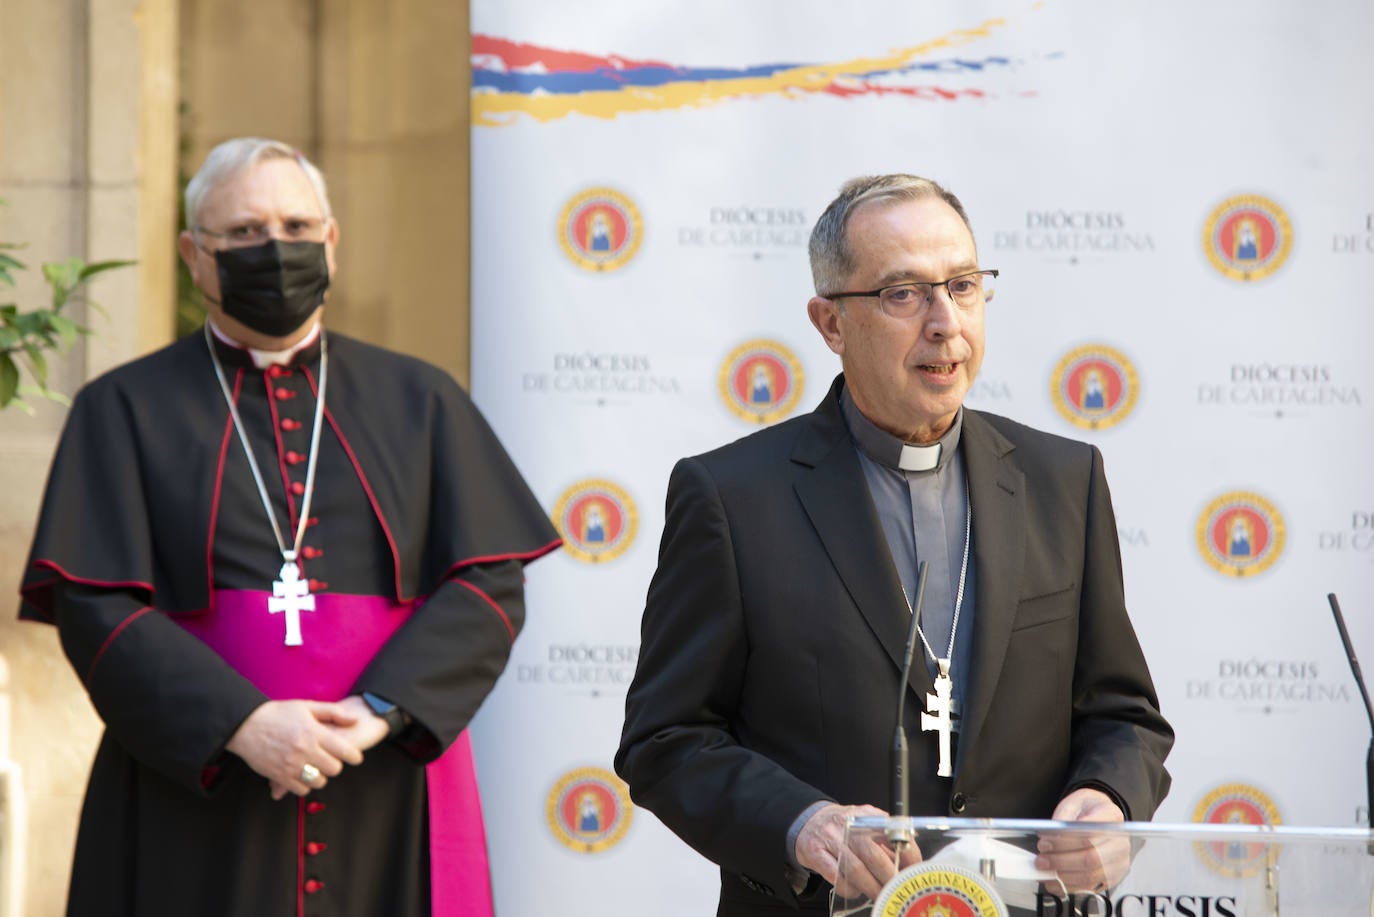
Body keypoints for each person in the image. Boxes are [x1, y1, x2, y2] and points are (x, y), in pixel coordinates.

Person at [18, 138, 561, 917]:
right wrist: (238, 721)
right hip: (193, 786)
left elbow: (489, 584)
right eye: (241, 232)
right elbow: (96, 607)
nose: (274, 248)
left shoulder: (420, 399)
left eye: (297, 227)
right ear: (193, 256)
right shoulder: (124, 408)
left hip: (384, 781)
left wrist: (377, 713)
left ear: (331, 244)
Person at [615, 174, 1173, 914]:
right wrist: (798, 822)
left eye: (964, 285)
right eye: (903, 293)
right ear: (830, 323)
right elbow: (666, 739)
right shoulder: (732, 499)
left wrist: (1109, 798)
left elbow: (1123, 712)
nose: (945, 322)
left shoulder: (1064, 481)